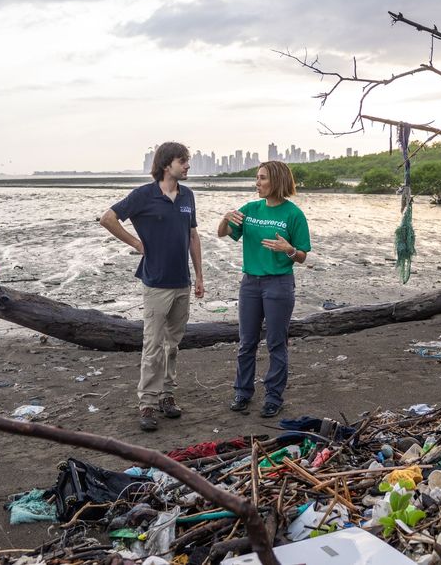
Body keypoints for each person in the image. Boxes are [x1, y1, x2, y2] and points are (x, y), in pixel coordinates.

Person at [100, 142, 204, 431]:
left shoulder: (187, 195)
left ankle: (167, 395)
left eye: (187, 160)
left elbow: (193, 236)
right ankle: (147, 402)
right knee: (153, 344)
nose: (188, 166)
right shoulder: (143, 195)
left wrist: (199, 276)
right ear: (167, 164)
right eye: (183, 161)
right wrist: (136, 244)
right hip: (156, 283)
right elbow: (107, 218)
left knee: (173, 345)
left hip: (182, 281)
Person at [217, 160, 311, 418]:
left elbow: (302, 256)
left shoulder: (293, 214)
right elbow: (222, 233)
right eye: (257, 178)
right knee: (246, 342)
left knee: (276, 342)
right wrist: (225, 218)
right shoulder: (250, 209)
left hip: (279, 284)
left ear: (277, 181)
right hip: (250, 283)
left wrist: (288, 250)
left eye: (262, 178)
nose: (257, 183)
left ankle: (273, 397)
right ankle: (242, 392)